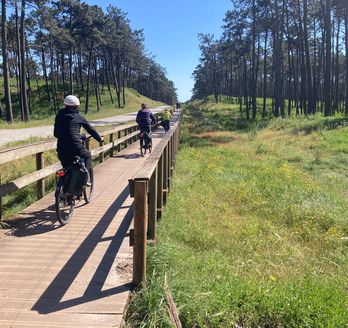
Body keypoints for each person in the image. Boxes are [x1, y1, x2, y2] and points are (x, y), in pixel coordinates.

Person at [54, 95, 103, 184]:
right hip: (75, 146)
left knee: (66, 168)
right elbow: (91, 130)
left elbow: (56, 134)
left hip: (61, 148)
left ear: (65, 105)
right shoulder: (79, 117)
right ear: (76, 106)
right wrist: (99, 139)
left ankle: (64, 190)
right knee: (87, 156)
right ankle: (86, 178)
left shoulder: (59, 115)